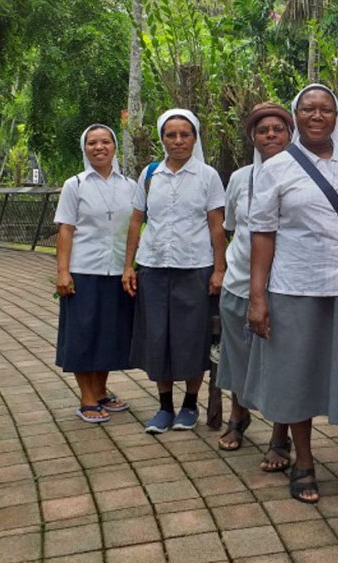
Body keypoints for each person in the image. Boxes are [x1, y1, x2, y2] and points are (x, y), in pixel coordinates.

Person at [245, 84, 338, 505]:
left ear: (336, 115)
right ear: (296, 115)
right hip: (296, 286)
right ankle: (304, 462)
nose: (317, 115)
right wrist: (258, 297)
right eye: (308, 109)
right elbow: (263, 235)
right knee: (297, 375)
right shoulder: (276, 168)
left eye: (325, 109)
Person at [122, 109, 227, 433]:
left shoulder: (207, 176)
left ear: (195, 138)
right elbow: (137, 221)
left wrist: (219, 269)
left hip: (194, 267)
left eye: (185, 134)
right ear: (162, 139)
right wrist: (129, 265)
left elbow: (216, 225)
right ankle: (164, 406)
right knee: (158, 337)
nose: (178, 141)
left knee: (192, 338)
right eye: (171, 135)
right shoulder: (150, 174)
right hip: (153, 267)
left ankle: (190, 404)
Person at [216, 102, 293, 472]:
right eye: (263, 130)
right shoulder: (240, 178)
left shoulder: (300, 175)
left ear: (290, 134)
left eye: (279, 129)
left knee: (280, 361)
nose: (271, 135)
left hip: (285, 286)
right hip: (238, 281)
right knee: (236, 354)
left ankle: (281, 435)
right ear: (253, 137)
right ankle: (238, 416)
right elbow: (232, 225)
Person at [54, 124, 138, 423]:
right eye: (92, 143)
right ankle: (86, 397)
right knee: (83, 334)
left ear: (115, 147)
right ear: (84, 148)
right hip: (84, 269)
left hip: (118, 270)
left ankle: (101, 390)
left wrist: (131, 265)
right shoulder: (74, 185)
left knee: (109, 334)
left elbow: (134, 228)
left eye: (105, 142)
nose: (99, 147)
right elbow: (65, 229)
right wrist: (63, 272)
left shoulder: (130, 185)